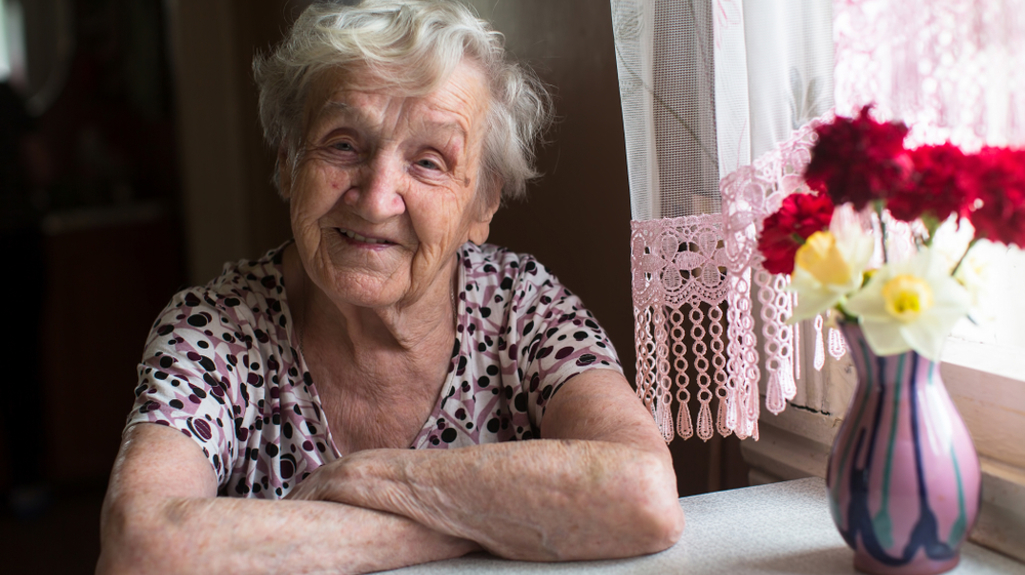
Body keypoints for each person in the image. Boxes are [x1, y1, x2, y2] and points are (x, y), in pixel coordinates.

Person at [97, 1, 683, 573]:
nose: (376, 199)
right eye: (343, 144)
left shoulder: (522, 308)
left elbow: (644, 494)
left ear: (483, 204)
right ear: (286, 163)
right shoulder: (217, 328)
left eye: (430, 161)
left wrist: (362, 479)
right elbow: (144, 546)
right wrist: (489, 520)